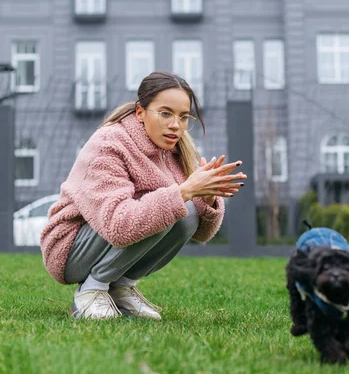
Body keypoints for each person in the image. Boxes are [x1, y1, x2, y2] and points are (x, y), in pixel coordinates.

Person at [40, 71, 247, 320]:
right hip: (70, 248)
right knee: (167, 204)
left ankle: (121, 287)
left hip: (110, 239)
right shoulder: (109, 144)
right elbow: (118, 225)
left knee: (183, 210)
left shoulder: (175, 149)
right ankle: (91, 290)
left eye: (183, 117)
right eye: (165, 113)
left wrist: (208, 196)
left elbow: (199, 231)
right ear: (140, 112)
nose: (175, 125)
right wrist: (185, 191)